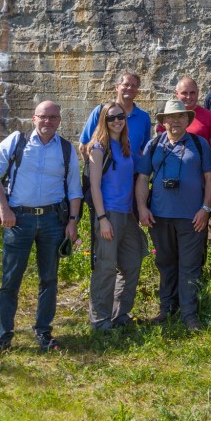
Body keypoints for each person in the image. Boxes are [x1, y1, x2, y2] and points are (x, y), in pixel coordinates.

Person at [0, 101, 81, 357]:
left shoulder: (66, 149)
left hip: (53, 221)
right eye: (43, 117)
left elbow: (74, 189)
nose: (47, 122)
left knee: (49, 279)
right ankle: (2, 338)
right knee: (10, 280)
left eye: (53, 117)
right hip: (19, 219)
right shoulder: (17, 141)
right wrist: (4, 209)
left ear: (60, 120)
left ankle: (43, 333)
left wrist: (73, 221)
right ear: (33, 118)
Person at [136, 100, 211, 331]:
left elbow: (209, 178)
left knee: (190, 266)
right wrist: (142, 207)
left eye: (181, 116)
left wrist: (206, 209)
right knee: (165, 263)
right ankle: (166, 309)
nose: (176, 121)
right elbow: (142, 178)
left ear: (188, 120)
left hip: (193, 218)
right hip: (159, 217)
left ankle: (189, 315)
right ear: (163, 122)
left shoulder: (199, 144)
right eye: (171, 117)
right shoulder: (154, 145)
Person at [86, 101, 142, 331]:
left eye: (120, 116)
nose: (117, 121)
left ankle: (120, 314)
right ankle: (100, 320)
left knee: (132, 262)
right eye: (111, 118)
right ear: (103, 121)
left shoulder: (125, 145)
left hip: (127, 214)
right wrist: (102, 219)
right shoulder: (98, 148)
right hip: (107, 213)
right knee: (106, 266)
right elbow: (94, 186)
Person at [79, 72, 153, 163]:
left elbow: (144, 152)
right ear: (117, 87)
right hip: (104, 176)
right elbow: (84, 146)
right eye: (126, 84)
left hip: (133, 176)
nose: (130, 88)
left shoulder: (144, 117)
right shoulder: (101, 111)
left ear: (137, 90)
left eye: (134, 86)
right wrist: (94, 171)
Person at [160, 76, 211, 142]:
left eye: (192, 93)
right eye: (184, 93)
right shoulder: (167, 117)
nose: (188, 97)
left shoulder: (209, 116)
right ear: (176, 93)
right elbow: (160, 144)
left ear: (198, 93)